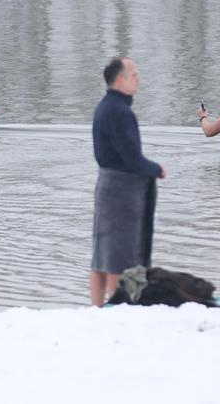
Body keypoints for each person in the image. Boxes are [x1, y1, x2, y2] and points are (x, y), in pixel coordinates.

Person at [90, 57, 166, 307]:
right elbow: (131, 158)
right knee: (117, 257)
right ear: (120, 79)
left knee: (101, 254)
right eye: (134, 74)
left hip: (106, 185)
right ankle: (116, 307)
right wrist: (156, 169)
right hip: (121, 190)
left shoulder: (103, 107)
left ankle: (96, 308)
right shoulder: (120, 112)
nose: (138, 79)